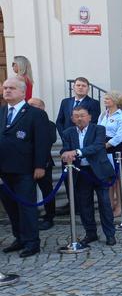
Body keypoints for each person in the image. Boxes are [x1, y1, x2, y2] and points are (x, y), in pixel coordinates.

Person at [0, 77, 51, 257]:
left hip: (25, 170)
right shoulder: (1, 111)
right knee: (11, 207)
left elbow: (42, 142)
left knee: (26, 207)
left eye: (11, 88)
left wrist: (40, 165)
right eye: (5, 88)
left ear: (22, 92)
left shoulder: (35, 114)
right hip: (3, 170)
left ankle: (31, 242)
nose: (7, 91)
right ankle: (19, 237)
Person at [60, 106, 117, 246]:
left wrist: (77, 152)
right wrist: (64, 153)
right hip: (81, 172)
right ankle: (90, 233)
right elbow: (66, 148)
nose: (79, 118)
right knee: (85, 205)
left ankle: (110, 235)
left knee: (104, 204)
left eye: (82, 115)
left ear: (89, 117)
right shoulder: (68, 132)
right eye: (76, 116)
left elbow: (97, 147)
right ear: (72, 119)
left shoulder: (99, 129)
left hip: (100, 172)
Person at [55, 77, 101, 216]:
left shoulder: (93, 103)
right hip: (68, 144)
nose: (80, 87)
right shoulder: (65, 102)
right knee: (69, 176)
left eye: (83, 85)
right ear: (74, 87)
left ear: (87, 88)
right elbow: (59, 121)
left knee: (83, 179)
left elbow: (94, 124)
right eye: (78, 85)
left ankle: (83, 206)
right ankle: (72, 204)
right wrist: (65, 136)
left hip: (83, 146)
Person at [27, 98, 58, 230]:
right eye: (29, 105)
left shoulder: (49, 124)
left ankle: (49, 217)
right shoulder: (23, 122)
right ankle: (30, 217)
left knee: (47, 191)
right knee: (27, 193)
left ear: (42, 108)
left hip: (43, 163)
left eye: (33, 105)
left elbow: (50, 139)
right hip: (25, 164)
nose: (30, 107)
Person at [98, 90, 122, 217]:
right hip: (102, 147)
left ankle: (120, 206)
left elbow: (118, 137)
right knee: (108, 179)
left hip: (114, 149)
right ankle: (110, 204)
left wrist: (106, 145)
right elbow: (98, 129)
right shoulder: (103, 115)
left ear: (115, 101)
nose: (105, 100)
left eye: (108, 99)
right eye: (104, 99)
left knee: (117, 180)